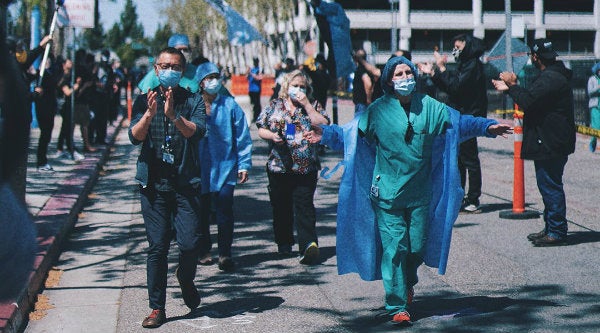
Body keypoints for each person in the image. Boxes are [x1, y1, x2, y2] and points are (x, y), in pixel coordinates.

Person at [305, 56, 511, 324]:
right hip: (386, 194)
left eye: (408, 72)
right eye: (399, 74)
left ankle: (407, 283)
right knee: (394, 249)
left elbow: (459, 124)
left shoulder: (430, 107)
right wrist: (327, 135)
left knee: (415, 248)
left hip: (419, 195)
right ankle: (397, 305)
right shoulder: (377, 111)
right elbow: (351, 135)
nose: (405, 78)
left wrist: (487, 127)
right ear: (390, 81)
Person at [128, 47, 207, 328]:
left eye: (174, 66)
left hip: (185, 184)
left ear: (182, 71)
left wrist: (173, 114)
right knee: (157, 247)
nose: (169, 70)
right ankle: (156, 308)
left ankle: (185, 278)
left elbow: (195, 132)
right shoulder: (143, 100)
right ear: (155, 68)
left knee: (189, 244)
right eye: (163, 65)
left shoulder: (193, 100)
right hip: (154, 186)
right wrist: (149, 115)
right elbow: (134, 138)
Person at [492, 38, 575, 247]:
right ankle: (551, 227)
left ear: (535, 57)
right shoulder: (553, 76)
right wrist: (512, 88)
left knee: (550, 185)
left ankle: (556, 231)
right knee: (547, 184)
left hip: (551, 141)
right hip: (551, 139)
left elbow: (529, 101)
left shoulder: (551, 78)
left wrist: (511, 84)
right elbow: (532, 97)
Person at [256, 69, 330, 264]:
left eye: (302, 87)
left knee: (304, 205)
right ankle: (284, 242)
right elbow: (261, 127)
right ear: (286, 86)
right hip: (279, 166)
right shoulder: (275, 105)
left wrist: (306, 104)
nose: (298, 90)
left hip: (306, 167)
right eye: (295, 86)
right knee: (281, 207)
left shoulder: (312, 105)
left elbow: (324, 124)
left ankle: (308, 245)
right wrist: (272, 136)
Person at [418, 34, 488, 213]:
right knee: (459, 159)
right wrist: (435, 73)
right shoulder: (465, 65)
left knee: (469, 158)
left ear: (468, 46)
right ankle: (460, 195)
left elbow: (456, 87)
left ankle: (473, 198)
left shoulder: (472, 66)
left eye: (458, 47)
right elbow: (451, 86)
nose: (455, 51)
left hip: (468, 116)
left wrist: (440, 69)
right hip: (460, 115)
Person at [194, 62, 253, 272]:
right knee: (200, 213)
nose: (213, 81)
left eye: (216, 77)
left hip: (226, 167)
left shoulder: (229, 105)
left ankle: (225, 253)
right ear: (201, 82)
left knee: (224, 211)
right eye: (209, 77)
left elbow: (242, 136)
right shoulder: (194, 106)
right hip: (199, 168)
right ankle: (203, 250)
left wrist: (244, 164)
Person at [34, 53, 60, 171]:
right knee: (45, 135)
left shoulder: (50, 73)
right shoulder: (41, 75)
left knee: (47, 135)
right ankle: (41, 161)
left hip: (50, 107)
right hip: (43, 108)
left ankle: (43, 160)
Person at [352, 49, 375, 114]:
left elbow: (368, 83)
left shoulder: (360, 69)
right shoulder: (369, 69)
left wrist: (368, 99)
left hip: (362, 103)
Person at [587, 62, 600, 152]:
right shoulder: (592, 79)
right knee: (596, 126)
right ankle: (593, 142)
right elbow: (589, 92)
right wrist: (598, 87)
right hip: (595, 105)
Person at [247, 57, 263, 122]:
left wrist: (252, 74)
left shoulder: (259, 69)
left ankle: (258, 116)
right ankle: (254, 116)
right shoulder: (252, 69)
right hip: (251, 89)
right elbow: (248, 78)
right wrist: (248, 72)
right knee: (252, 104)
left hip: (257, 89)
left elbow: (259, 78)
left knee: (257, 104)